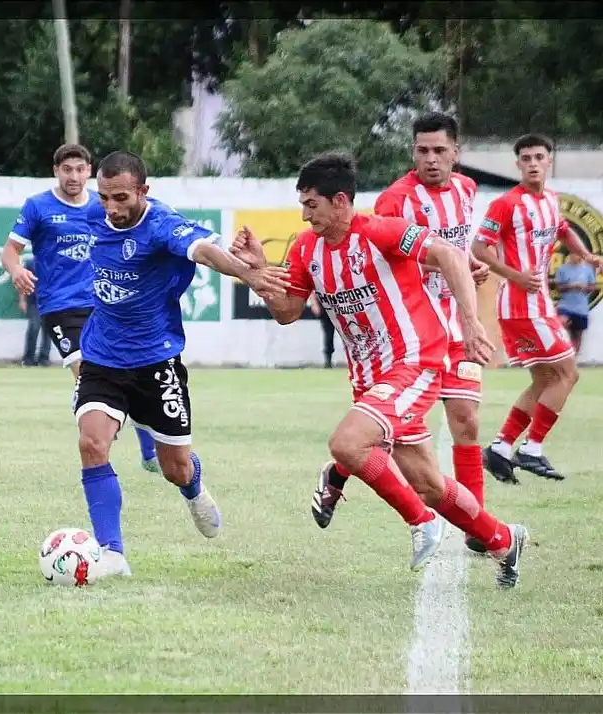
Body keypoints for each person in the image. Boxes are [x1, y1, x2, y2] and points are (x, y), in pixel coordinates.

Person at [235, 152, 527, 588]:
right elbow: (287, 312)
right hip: (370, 380)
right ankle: (504, 539)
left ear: (339, 201)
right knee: (427, 482)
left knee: (347, 444)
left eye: (311, 204)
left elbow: (447, 253)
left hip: (415, 363)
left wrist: (469, 323)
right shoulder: (307, 249)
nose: (304, 214)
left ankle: (421, 522)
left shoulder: (380, 231)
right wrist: (256, 271)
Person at [74, 150, 291, 579]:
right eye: (104, 198)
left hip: (157, 363)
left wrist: (247, 274)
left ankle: (192, 487)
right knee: (91, 444)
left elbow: (206, 251)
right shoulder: (93, 219)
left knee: (174, 467)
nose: (112, 208)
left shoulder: (161, 224)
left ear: (143, 191)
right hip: (101, 357)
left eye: (121, 197)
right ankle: (112, 553)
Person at [311, 112, 492, 555]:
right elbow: (390, 255)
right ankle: (340, 472)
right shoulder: (395, 200)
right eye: (422, 150)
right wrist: (449, 260)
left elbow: (457, 248)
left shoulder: (467, 190)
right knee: (387, 439)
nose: (431, 159)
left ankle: (477, 532)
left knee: (466, 422)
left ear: (456, 153)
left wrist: (467, 264)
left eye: (439, 150)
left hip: (454, 324)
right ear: (413, 152)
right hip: (414, 331)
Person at [1, 143, 163, 473]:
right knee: (89, 372)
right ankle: (96, 432)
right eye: (67, 170)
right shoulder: (38, 207)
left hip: (102, 303)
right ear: (56, 170)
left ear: (89, 171)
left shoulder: (101, 206)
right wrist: (17, 270)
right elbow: (9, 252)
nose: (74, 176)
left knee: (129, 372)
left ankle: (148, 449)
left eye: (80, 169)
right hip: (59, 306)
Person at [472, 134, 603, 482]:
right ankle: (532, 450)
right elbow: (480, 248)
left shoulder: (550, 201)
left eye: (538, 157)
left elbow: (562, 230)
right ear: (518, 164)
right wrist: (514, 276)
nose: (532, 163)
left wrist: (587, 255)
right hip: (523, 306)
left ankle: (500, 449)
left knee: (546, 378)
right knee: (568, 374)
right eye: (526, 157)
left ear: (548, 162)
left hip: (534, 305)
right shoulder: (505, 204)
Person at [554, 250, 598, 355]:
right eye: (573, 254)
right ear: (570, 255)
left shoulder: (587, 270)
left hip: (581, 308)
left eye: (578, 254)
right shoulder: (562, 269)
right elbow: (559, 288)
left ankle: (573, 356)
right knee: (561, 324)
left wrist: (584, 287)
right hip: (566, 305)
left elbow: (592, 287)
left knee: (577, 335)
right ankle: (560, 351)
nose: (575, 256)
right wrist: (571, 286)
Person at [20, 255, 52, 367]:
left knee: (48, 330)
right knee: (34, 327)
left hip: (51, 300)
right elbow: (23, 281)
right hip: (34, 301)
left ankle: (44, 358)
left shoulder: (54, 261)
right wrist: (22, 300)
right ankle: (28, 359)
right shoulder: (30, 263)